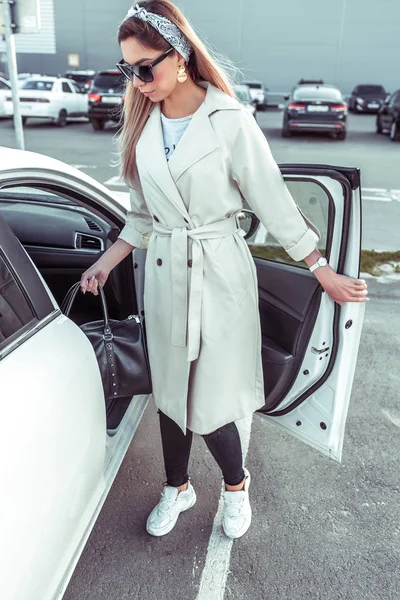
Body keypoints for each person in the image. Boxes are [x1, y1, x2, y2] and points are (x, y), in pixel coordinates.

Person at [80, 0, 368, 539]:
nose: (137, 80)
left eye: (146, 66)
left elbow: (272, 199)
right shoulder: (141, 126)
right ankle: (177, 487)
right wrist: (105, 262)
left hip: (218, 270)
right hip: (165, 272)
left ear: (181, 56)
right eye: (127, 68)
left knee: (210, 398)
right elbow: (142, 217)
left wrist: (319, 265)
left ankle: (236, 487)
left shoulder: (228, 119)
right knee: (169, 392)